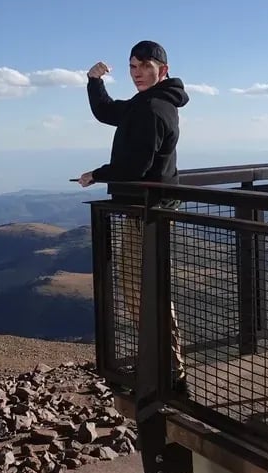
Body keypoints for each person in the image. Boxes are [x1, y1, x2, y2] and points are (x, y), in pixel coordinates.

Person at [76, 40, 190, 395]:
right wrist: (95, 82)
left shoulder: (154, 109)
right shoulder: (148, 104)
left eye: (144, 65)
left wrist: (98, 173)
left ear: (163, 70)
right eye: (132, 66)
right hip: (145, 211)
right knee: (143, 291)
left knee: (143, 293)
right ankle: (164, 369)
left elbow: (134, 167)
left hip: (146, 212)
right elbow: (109, 112)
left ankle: (170, 374)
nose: (137, 72)